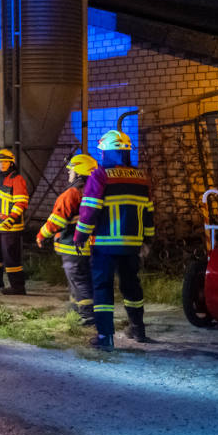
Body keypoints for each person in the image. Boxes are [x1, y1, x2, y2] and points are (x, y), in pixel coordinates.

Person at [73, 130, 154, 350]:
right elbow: (148, 211)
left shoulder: (100, 176)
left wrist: (80, 236)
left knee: (103, 288)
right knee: (131, 287)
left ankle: (105, 338)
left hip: (105, 244)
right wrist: (148, 240)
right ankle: (138, 329)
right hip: (132, 245)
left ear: (107, 152)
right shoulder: (141, 177)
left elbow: (90, 210)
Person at [37, 154, 98, 326]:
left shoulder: (72, 193)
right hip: (90, 246)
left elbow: (57, 220)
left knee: (79, 280)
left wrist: (41, 235)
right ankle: (76, 310)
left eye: (70, 171)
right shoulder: (95, 192)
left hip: (73, 246)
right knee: (81, 280)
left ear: (79, 173)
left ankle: (87, 315)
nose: (68, 174)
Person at [0, 149, 29, 295]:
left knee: (11, 256)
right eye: (0, 162)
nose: (2, 164)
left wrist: (11, 219)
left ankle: (17, 286)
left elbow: (21, 202)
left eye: (5, 161)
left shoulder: (17, 179)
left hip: (10, 226)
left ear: (11, 163)